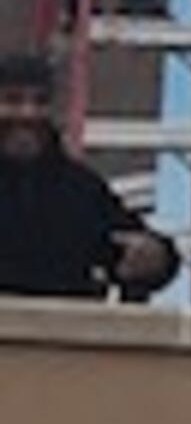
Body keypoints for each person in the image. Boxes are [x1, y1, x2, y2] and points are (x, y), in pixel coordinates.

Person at [0, 53, 181, 304]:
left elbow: (134, 248)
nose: (28, 113)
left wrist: (158, 258)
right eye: (12, 100)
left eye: (40, 101)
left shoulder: (81, 190)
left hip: (62, 328)